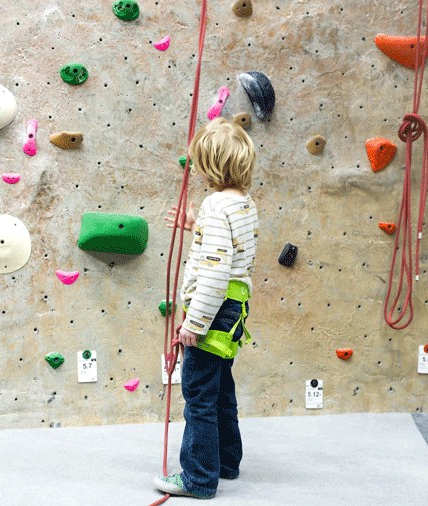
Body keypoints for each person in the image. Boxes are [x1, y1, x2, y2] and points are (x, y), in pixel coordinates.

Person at [154, 117, 259, 499]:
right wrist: (197, 225)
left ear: (209, 164)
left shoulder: (216, 205)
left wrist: (193, 323)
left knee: (198, 395)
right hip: (234, 308)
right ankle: (227, 462)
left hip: (212, 310)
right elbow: (232, 251)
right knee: (221, 388)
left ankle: (198, 478)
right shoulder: (242, 204)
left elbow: (214, 275)